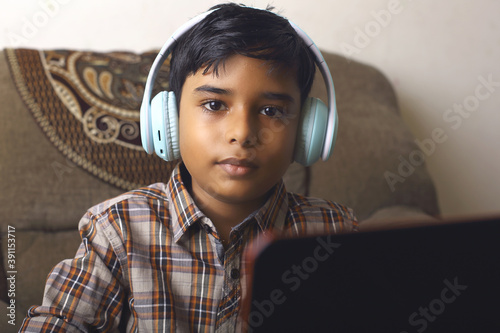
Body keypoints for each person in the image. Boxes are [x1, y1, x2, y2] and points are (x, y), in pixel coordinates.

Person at [20, 3, 357, 332]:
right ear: (169, 119)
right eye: (214, 104)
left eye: (271, 111)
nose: (241, 133)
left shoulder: (336, 234)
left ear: (306, 132)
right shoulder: (116, 231)